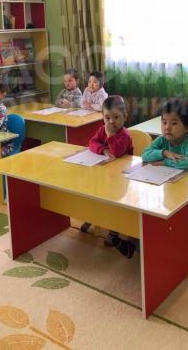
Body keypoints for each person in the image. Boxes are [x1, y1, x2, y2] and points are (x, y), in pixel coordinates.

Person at [108, 98, 188, 259]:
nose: (167, 127)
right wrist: (164, 152)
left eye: (174, 123)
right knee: (141, 204)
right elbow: (146, 155)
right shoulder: (162, 140)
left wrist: (165, 162)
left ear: (187, 127)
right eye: (164, 122)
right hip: (162, 187)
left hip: (184, 195)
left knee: (157, 214)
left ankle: (149, 244)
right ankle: (133, 242)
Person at [81, 95, 134, 255]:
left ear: (125, 117)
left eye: (116, 117)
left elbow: (117, 152)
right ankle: (92, 217)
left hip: (120, 179)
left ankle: (113, 232)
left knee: (114, 205)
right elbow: (92, 143)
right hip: (103, 174)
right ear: (102, 117)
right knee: (94, 195)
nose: (111, 122)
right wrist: (102, 149)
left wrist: (110, 136)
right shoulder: (102, 130)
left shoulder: (124, 135)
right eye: (107, 118)